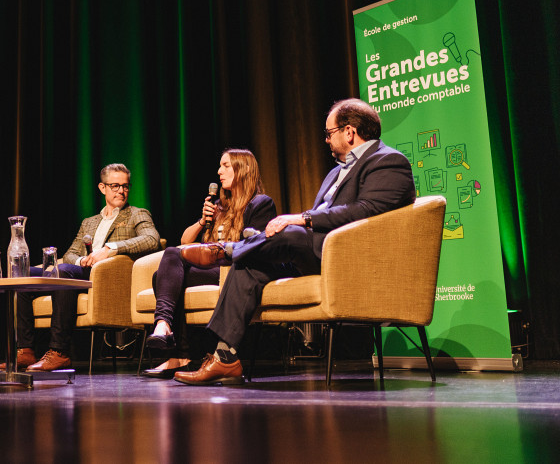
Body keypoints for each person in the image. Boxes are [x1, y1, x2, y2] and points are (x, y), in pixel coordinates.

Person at [174, 98, 414, 385]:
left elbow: (366, 210)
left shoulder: (388, 161)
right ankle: (225, 357)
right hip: (314, 254)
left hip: (348, 257)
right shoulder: (336, 172)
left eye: (329, 133)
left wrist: (303, 218)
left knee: (290, 231)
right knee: (250, 263)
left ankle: (227, 250)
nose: (326, 140)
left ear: (349, 132)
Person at [0, 163, 162, 372]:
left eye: (125, 186)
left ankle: (59, 352)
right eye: (115, 186)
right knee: (24, 274)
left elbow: (152, 240)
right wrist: (81, 261)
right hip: (82, 270)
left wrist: (110, 249)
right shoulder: (89, 222)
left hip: (107, 276)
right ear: (102, 188)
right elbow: (70, 254)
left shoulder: (137, 214)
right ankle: (25, 350)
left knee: (64, 272)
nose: (121, 191)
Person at [141, 148, 276, 378]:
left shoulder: (260, 203)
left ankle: (177, 349)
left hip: (233, 268)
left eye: (226, 166)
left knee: (166, 274)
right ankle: (168, 333)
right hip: (210, 267)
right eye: (220, 166)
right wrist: (203, 221)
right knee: (166, 267)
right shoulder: (219, 207)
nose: (219, 171)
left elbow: (256, 246)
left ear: (243, 169)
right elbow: (185, 242)